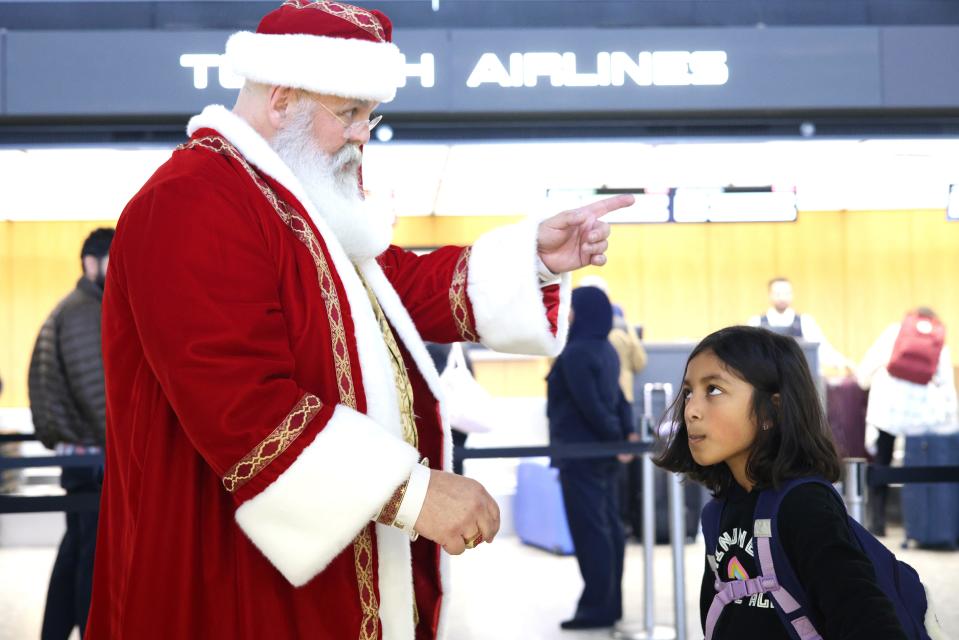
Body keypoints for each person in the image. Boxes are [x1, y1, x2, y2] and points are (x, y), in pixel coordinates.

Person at [84, 2, 633, 638]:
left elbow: (399, 285)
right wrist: (412, 493)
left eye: (371, 116)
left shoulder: (294, 200)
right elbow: (237, 403)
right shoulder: (193, 198)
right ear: (283, 98)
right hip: (224, 567)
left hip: (308, 560)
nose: (363, 135)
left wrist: (534, 256)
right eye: (348, 114)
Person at [655, 326, 908, 639]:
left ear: (771, 410)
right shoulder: (717, 512)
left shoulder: (804, 504)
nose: (690, 410)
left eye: (714, 391)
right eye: (689, 392)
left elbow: (865, 616)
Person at [27, 227, 113, 640]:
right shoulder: (85, 312)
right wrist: (122, 451)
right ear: (91, 264)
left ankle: (56, 631)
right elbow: (97, 394)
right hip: (91, 459)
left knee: (77, 549)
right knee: (90, 559)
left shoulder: (80, 306)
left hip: (81, 457)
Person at [547, 286, 633, 630]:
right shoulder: (606, 349)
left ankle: (596, 607)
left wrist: (617, 437)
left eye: (571, 308)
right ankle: (608, 604)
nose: (567, 315)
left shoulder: (575, 353)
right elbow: (619, 400)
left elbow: (592, 406)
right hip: (602, 455)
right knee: (608, 528)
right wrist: (623, 437)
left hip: (581, 455)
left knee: (592, 531)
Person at [855, 307, 958, 536]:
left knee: (881, 464)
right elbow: (945, 383)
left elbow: (871, 362)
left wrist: (862, 381)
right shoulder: (938, 340)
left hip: (887, 410)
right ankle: (920, 525)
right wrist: (951, 415)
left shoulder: (894, 331)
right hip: (921, 415)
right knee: (919, 469)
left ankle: (877, 524)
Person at [748, 277, 852, 373]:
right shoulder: (756, 323)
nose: (782, 297)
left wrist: (844, 363)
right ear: (769, 295)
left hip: (797, 380)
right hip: (765, 382)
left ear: (792, 295)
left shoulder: (805, 322)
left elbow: (822, 350)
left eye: (786, 293)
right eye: (777, 293)